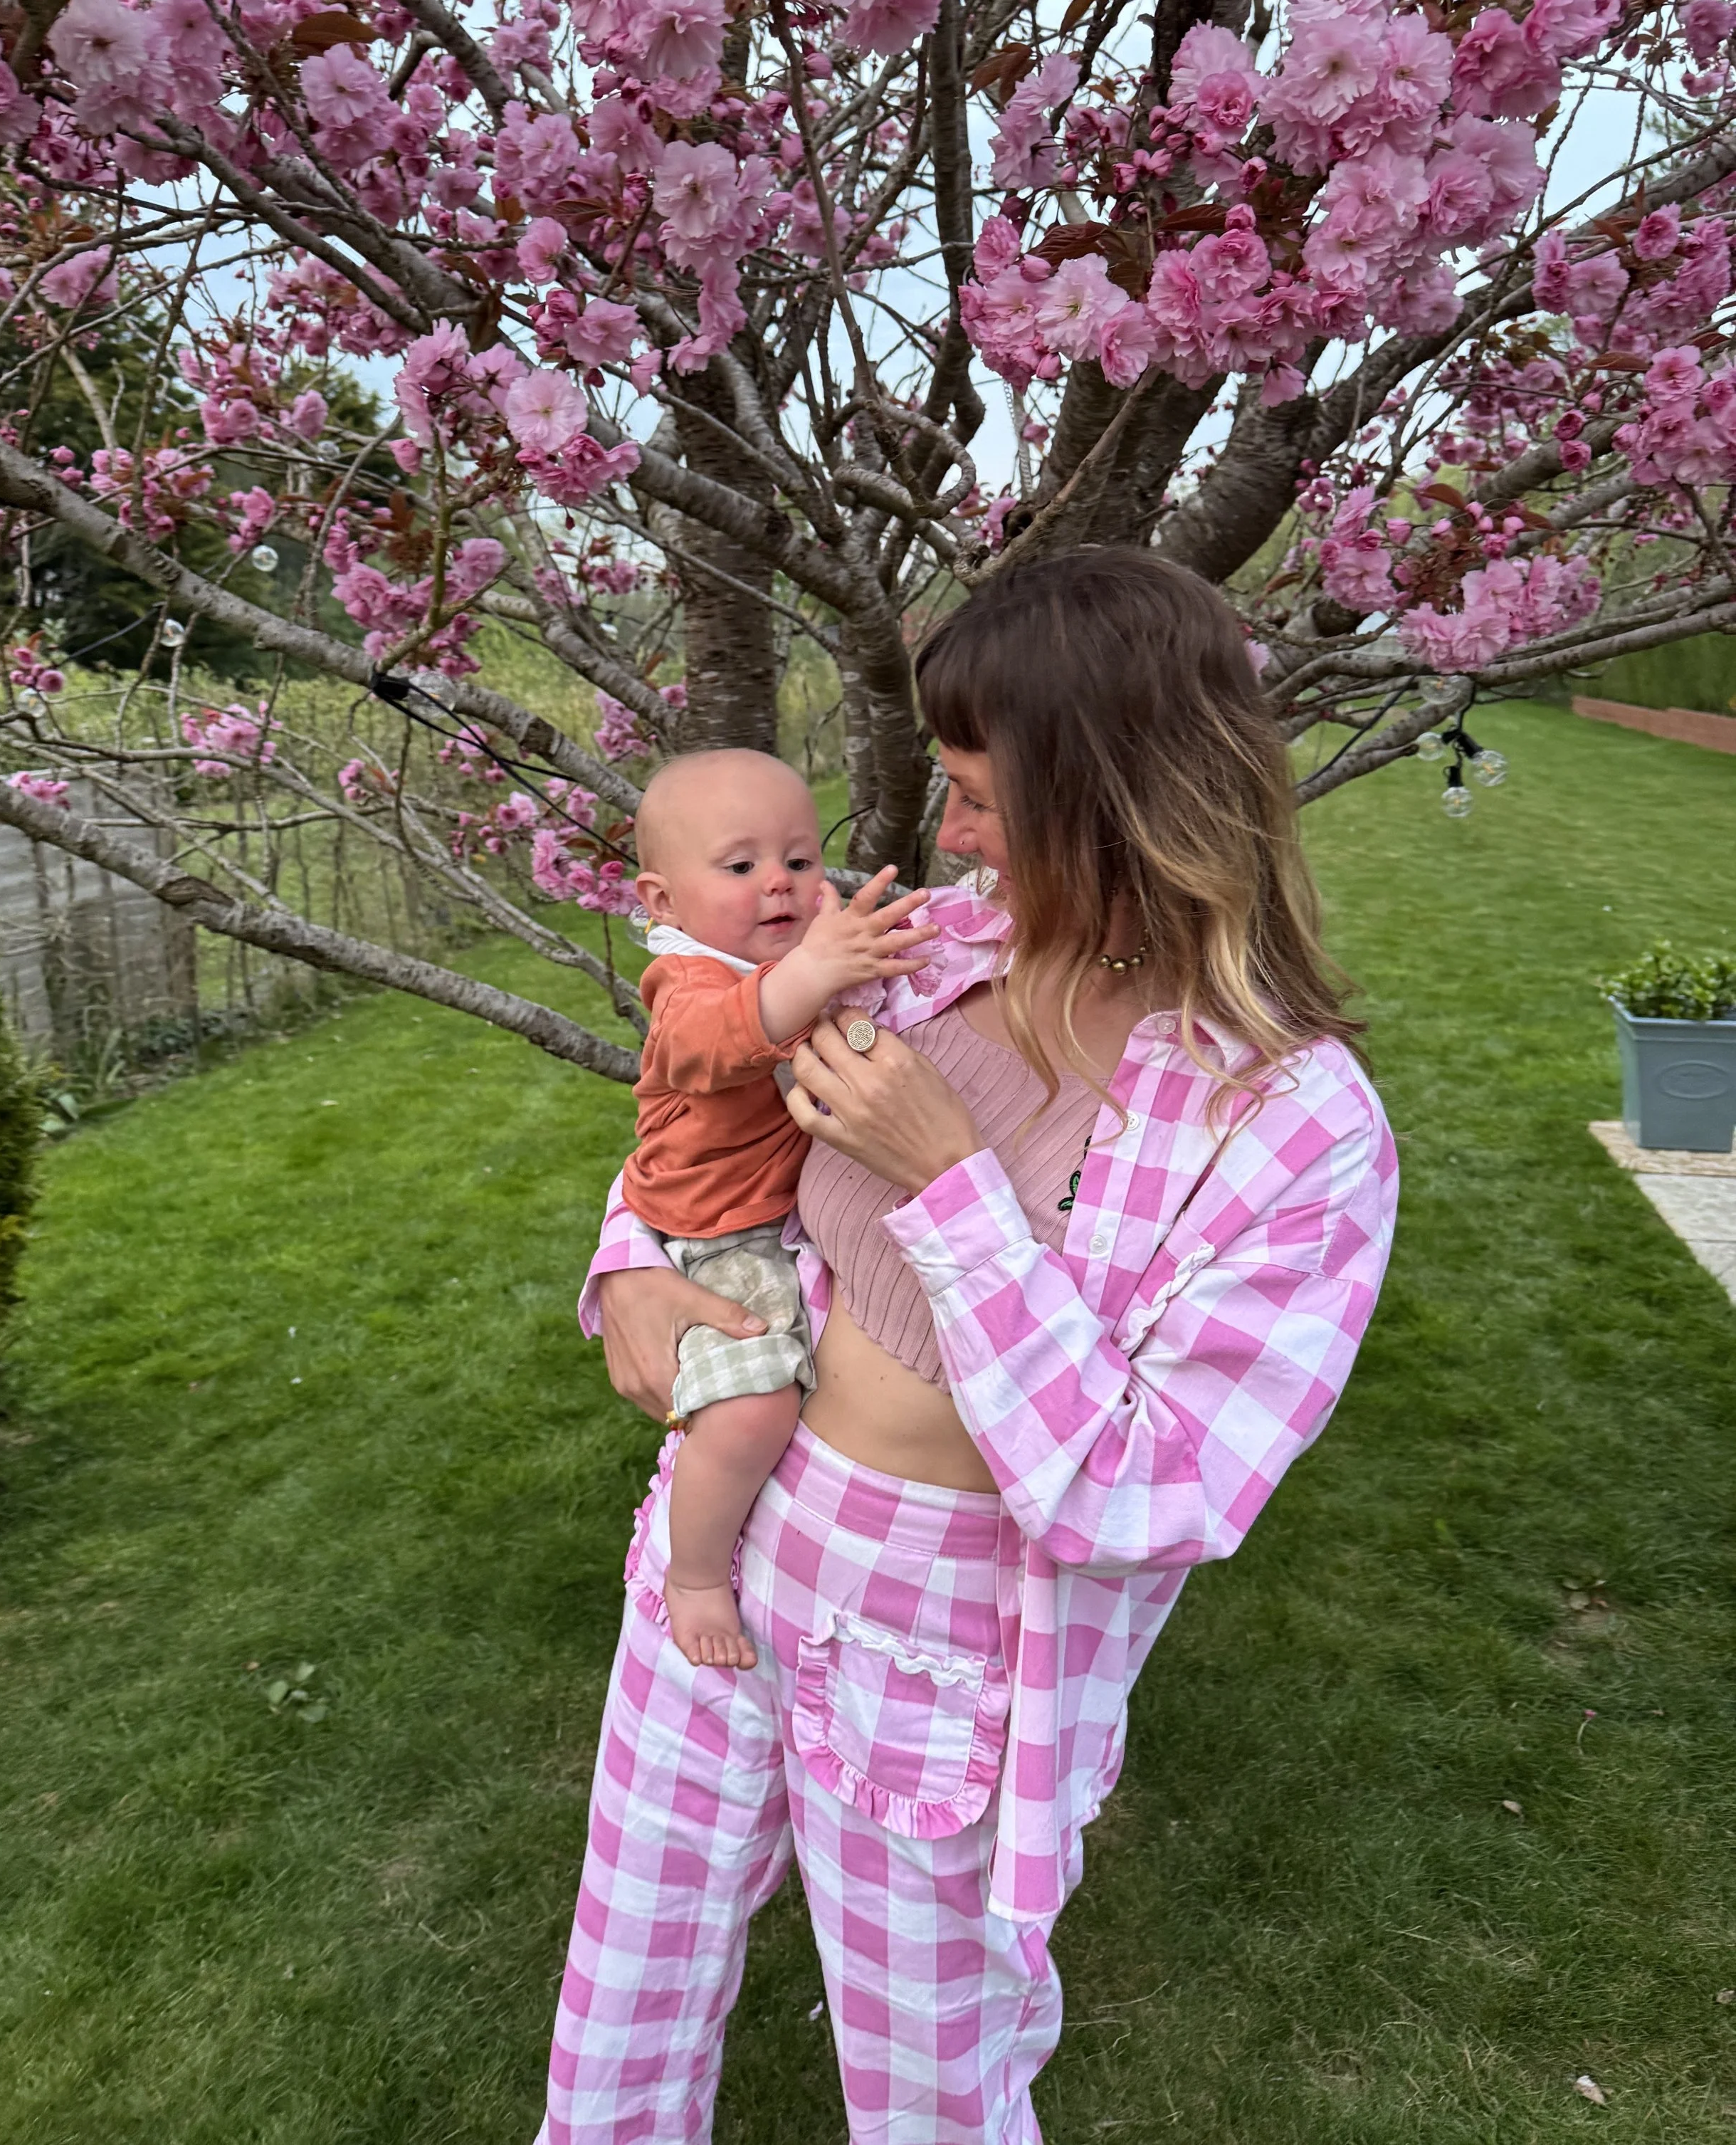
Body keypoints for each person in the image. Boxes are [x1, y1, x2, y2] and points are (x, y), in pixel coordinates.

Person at [535, 547, 1399, 2145]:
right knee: (623, 1997)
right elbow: (700, 1126)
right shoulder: (932, 953)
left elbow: (1149, 1495)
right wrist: (633, 1270)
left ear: (1120, 799)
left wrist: (950, 1185)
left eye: (982, 801)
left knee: (932, 2087)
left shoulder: (1287, 1124)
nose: (945, 838)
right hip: (726, 1551)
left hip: (947, 1651)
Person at [624, 749, 935, 1667]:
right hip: (718, 1233)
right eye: (740, 866)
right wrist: (822, 967)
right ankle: (695, 1573)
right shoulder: (687, 984)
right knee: (753, 1406)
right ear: (662, 903)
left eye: (800, 862)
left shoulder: (782, 961)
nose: (780, 886)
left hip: (781, 1215)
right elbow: (722, 1042)